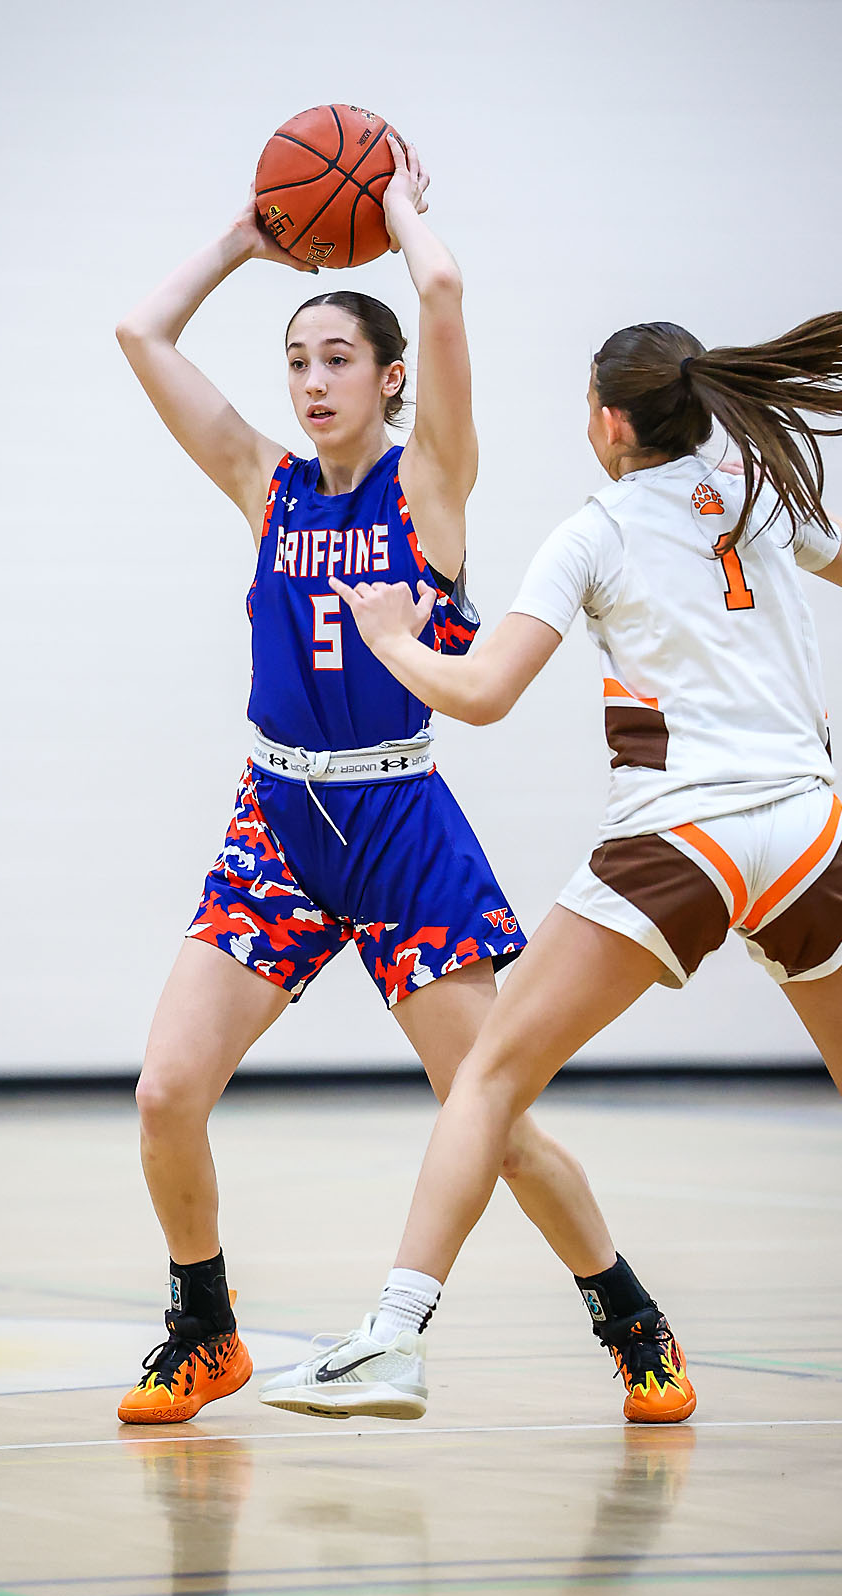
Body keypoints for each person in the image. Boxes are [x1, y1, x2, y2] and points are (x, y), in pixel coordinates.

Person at [113, 140, 693, 1426]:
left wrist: (394, 215)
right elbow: (139, 330)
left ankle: (626, 1313)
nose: (312, 382)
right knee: (165, 1091)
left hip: (398, 825)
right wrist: (243, 240)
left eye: (336, 362)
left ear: (385, 384)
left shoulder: (425, 486)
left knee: (487, 1109)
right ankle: (202, 1327)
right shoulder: (261, 483)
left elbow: (440, 302)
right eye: (296, 362)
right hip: (276, 819)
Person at [258, 309, 842, 1422]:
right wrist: (776, 506)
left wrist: (385, 633)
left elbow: (479, 695)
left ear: (609, 421)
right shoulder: (755, 493)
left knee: (490, 1078)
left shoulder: (596, 528)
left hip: (681, 839)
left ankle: (392, 1337)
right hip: (808, 833)